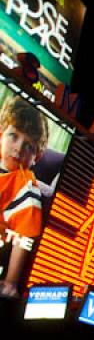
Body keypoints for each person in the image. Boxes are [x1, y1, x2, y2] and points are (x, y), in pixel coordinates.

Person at [0, 96, 50, 298]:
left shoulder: (24, 185)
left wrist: (11, 282)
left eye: (29, 146)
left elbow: (23, 237)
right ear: (1, 135)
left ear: (36, 157)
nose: (19, 148)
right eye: (14, 136)